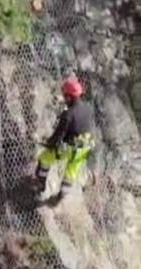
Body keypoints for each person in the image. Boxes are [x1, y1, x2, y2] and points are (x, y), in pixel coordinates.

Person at [34, 76, 95, 204]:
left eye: (64, 95)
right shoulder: (88, 108)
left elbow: (58, 137)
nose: (64, 98)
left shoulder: (68, 114)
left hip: (71, 148)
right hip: (85, 147)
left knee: (45, 158)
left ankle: (40, 186)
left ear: (69, 96)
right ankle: (60, 197)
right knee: (71, 172)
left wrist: (47, 143)